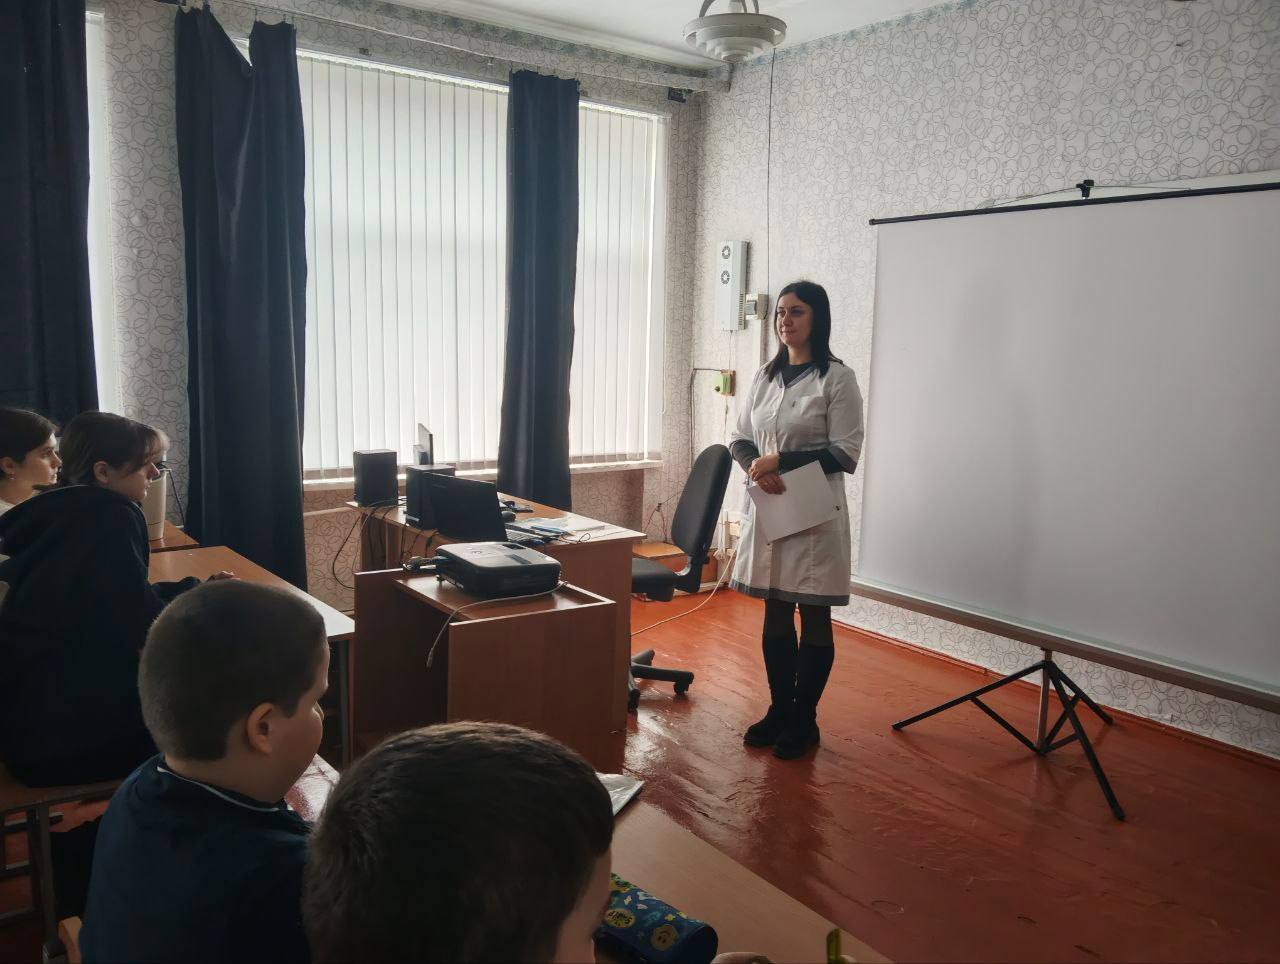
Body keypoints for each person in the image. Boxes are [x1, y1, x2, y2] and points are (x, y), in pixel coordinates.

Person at [81, 580, 327, 964]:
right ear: (263, 728)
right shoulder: (285, 877)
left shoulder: (137, 788)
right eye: (316, 701)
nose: (322, 714)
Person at [0, 411, 229, 786]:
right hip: (75, 744)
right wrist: (203, 603)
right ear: (103, 472)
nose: (155, 474)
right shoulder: (110, 516)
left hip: (28, 732)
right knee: (221, 719)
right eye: (145, 465)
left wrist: (194, 589)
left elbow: (111, 597)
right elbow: (142, 626)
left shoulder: (55, 514)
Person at [729, 280, 864, 760]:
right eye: (781, 312)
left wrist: (780, 461)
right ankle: (779, 710)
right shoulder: (764, 376)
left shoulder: (837, 378)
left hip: (813, 514)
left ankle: (805, 719)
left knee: (814, 613)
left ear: (817, 318)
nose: (785, 320)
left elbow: (845, 452)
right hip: (770, 505)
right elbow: (739, 437)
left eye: (797, 311)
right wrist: (756, 465)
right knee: (776, 609)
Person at [0, 407, 60, 515]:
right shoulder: (10, 521)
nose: (58, 462)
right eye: (46, 453)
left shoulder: (50, 500)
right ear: (9, 466)